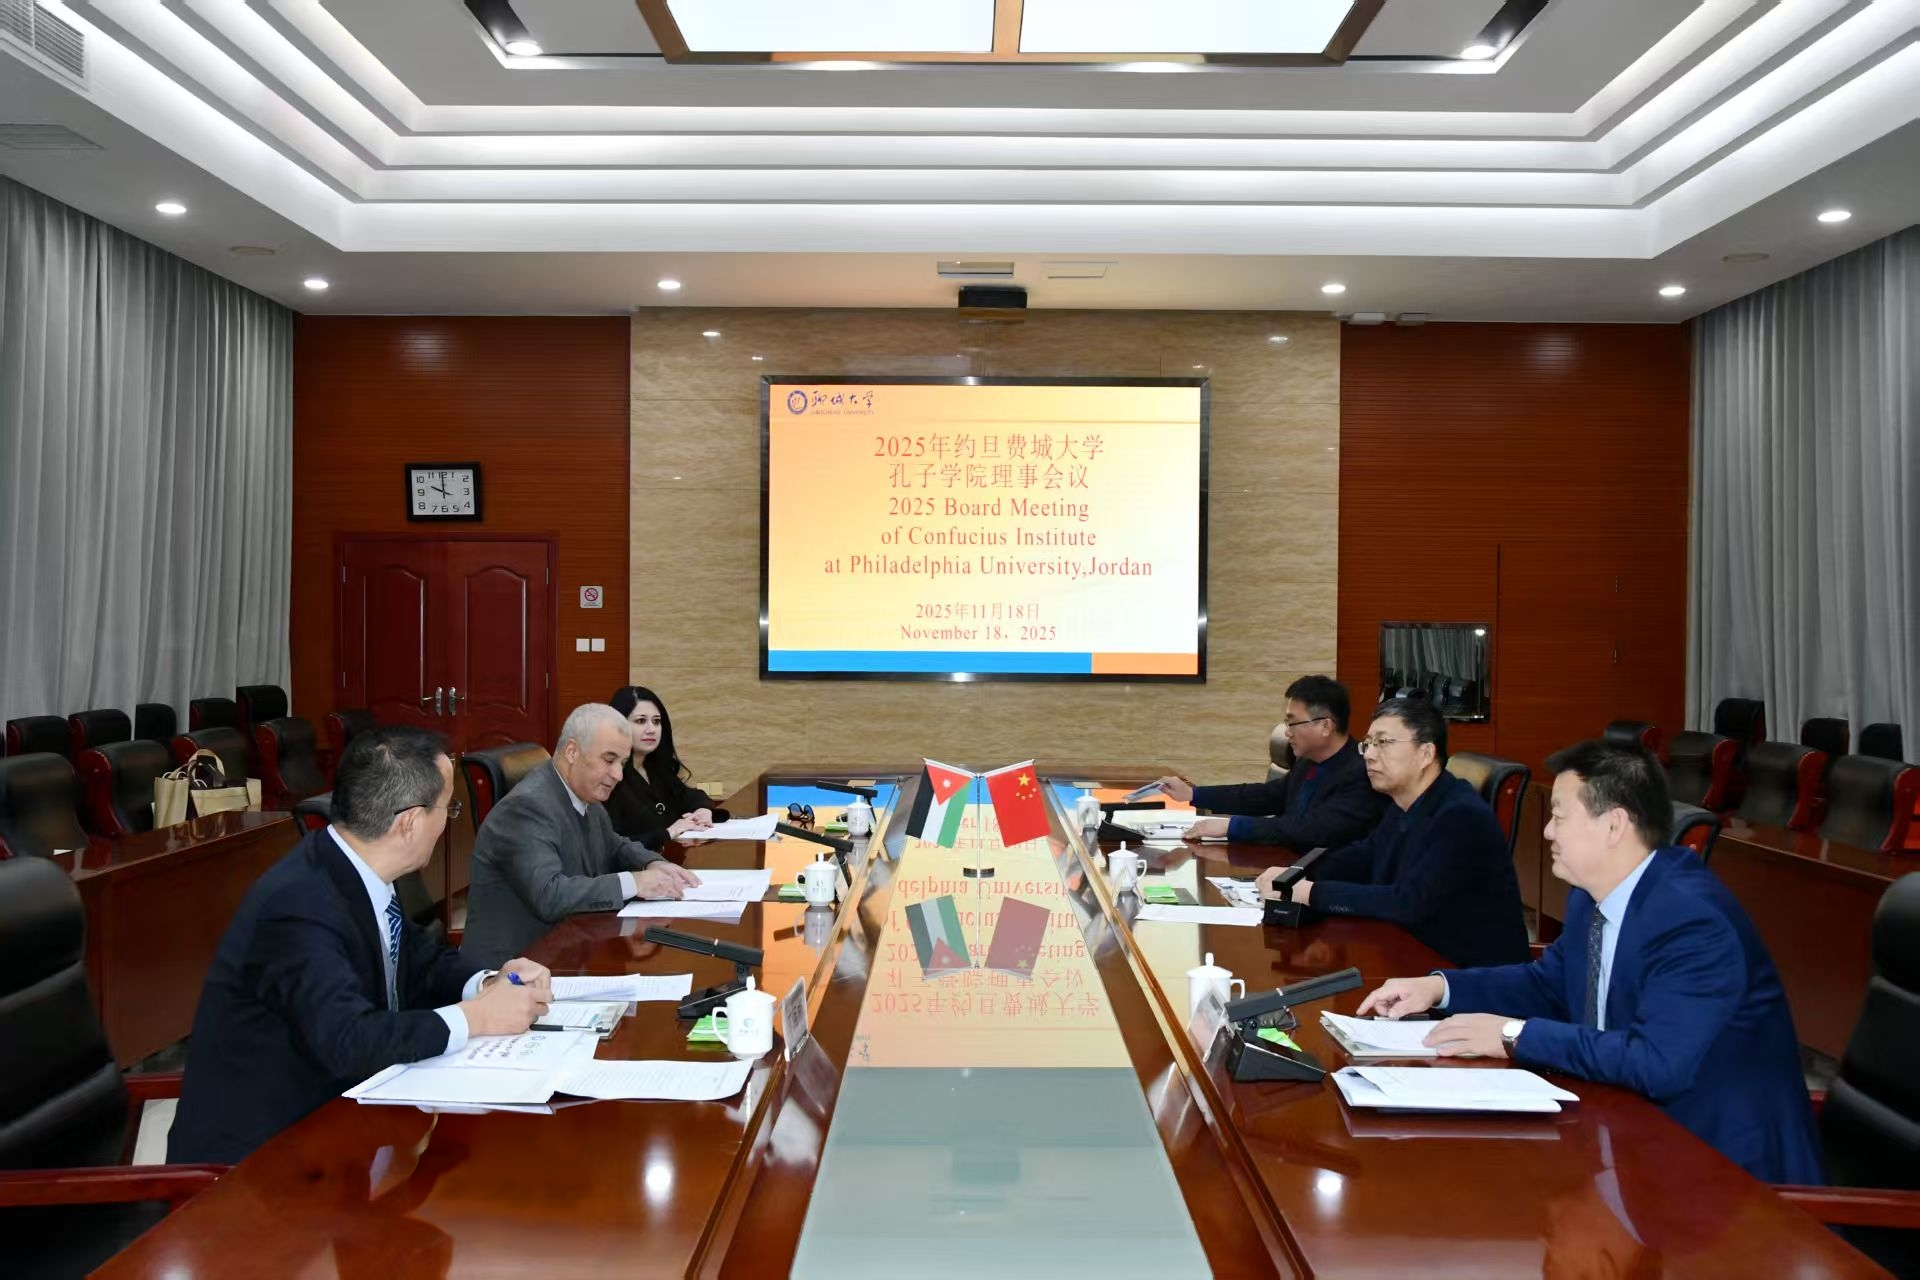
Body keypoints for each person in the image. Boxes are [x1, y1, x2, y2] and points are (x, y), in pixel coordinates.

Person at [1357, 739, 1824, 1185]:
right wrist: (1439, 988)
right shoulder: (1592, 897)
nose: (1547, 830)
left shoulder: (1691, 920)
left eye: (1559, 816)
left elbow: (1657, 1063)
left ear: (1614, 826)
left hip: (1723, 1175)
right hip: (1626, 1133)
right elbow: (1548, 985)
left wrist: (1513, 1035)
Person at [168, 726, 552, 1165]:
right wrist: (476, 1017)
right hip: (257, 1164)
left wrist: (488, 983)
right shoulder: (297, 905)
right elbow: (348, 1040)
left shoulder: (357, 869)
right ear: (409, 823)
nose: (449, 822)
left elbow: (418, 961)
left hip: (338, 1127)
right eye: (448, 808)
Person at [1257, 696, 1528, 968]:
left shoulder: (1460, 815)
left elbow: (1408, 902)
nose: (1369, 755)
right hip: (1411, 957)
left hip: (1468, 976)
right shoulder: (1405, 802)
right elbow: (1365, 856)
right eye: (1368, 744)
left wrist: (1311, 893)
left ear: (1426, 754)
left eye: (1383, 742)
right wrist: (1296, 874)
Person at [461, 703, 702, 968]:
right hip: (510, 969)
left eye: (622, 763)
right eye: (609, 760)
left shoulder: (584, 795)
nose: (618, 775)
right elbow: (549, 895)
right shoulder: (526, 808)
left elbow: (614, 846)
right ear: (572, 752)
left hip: (565, 951)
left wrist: (652, 863)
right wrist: (634, 883)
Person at [1160, 675, 1388, 850]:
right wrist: (1194, 794)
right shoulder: (1308, 763)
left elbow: (1311, 829)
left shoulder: (1361, 773)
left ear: (1326, 726)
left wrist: (1232, 826)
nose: (1287, 733)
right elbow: (1266, 796)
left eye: (1293, 723)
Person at [603, 684, 731, 847]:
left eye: (656, 721)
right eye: (641, 721)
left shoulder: (655, 768)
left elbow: (692, 796)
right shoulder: (609, 777)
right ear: (619, 726)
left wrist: (702, 811)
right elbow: (610, 845)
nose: (651, 729)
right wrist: (669, 832)